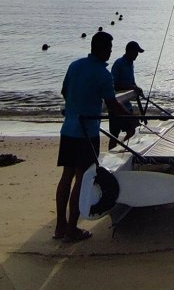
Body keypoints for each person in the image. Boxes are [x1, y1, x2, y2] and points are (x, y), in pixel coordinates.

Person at [54, 30, 130, 242]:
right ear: (102, 48)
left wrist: (77, 105)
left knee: (66, 177)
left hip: (68, 129)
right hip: (86, 133)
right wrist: (131, 119)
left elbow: (64, 91)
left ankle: (60, 227)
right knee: (82, 179)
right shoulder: (103, 75)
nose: (111, 52)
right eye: (109, 48)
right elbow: (113, 105)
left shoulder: (75, 65)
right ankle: (71, 230)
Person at [108, 40, 146, 149]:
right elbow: (114, 85)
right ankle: (113, 152)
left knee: (132, 129)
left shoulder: (131, 64)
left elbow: (131, 82)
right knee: (114, 135)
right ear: (129, 51)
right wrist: (131, 87)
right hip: (115, 105)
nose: (137, 55)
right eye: (136, 52)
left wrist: (136, 88)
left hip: (127, 105)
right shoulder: (119, 63)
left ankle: (121, 149)